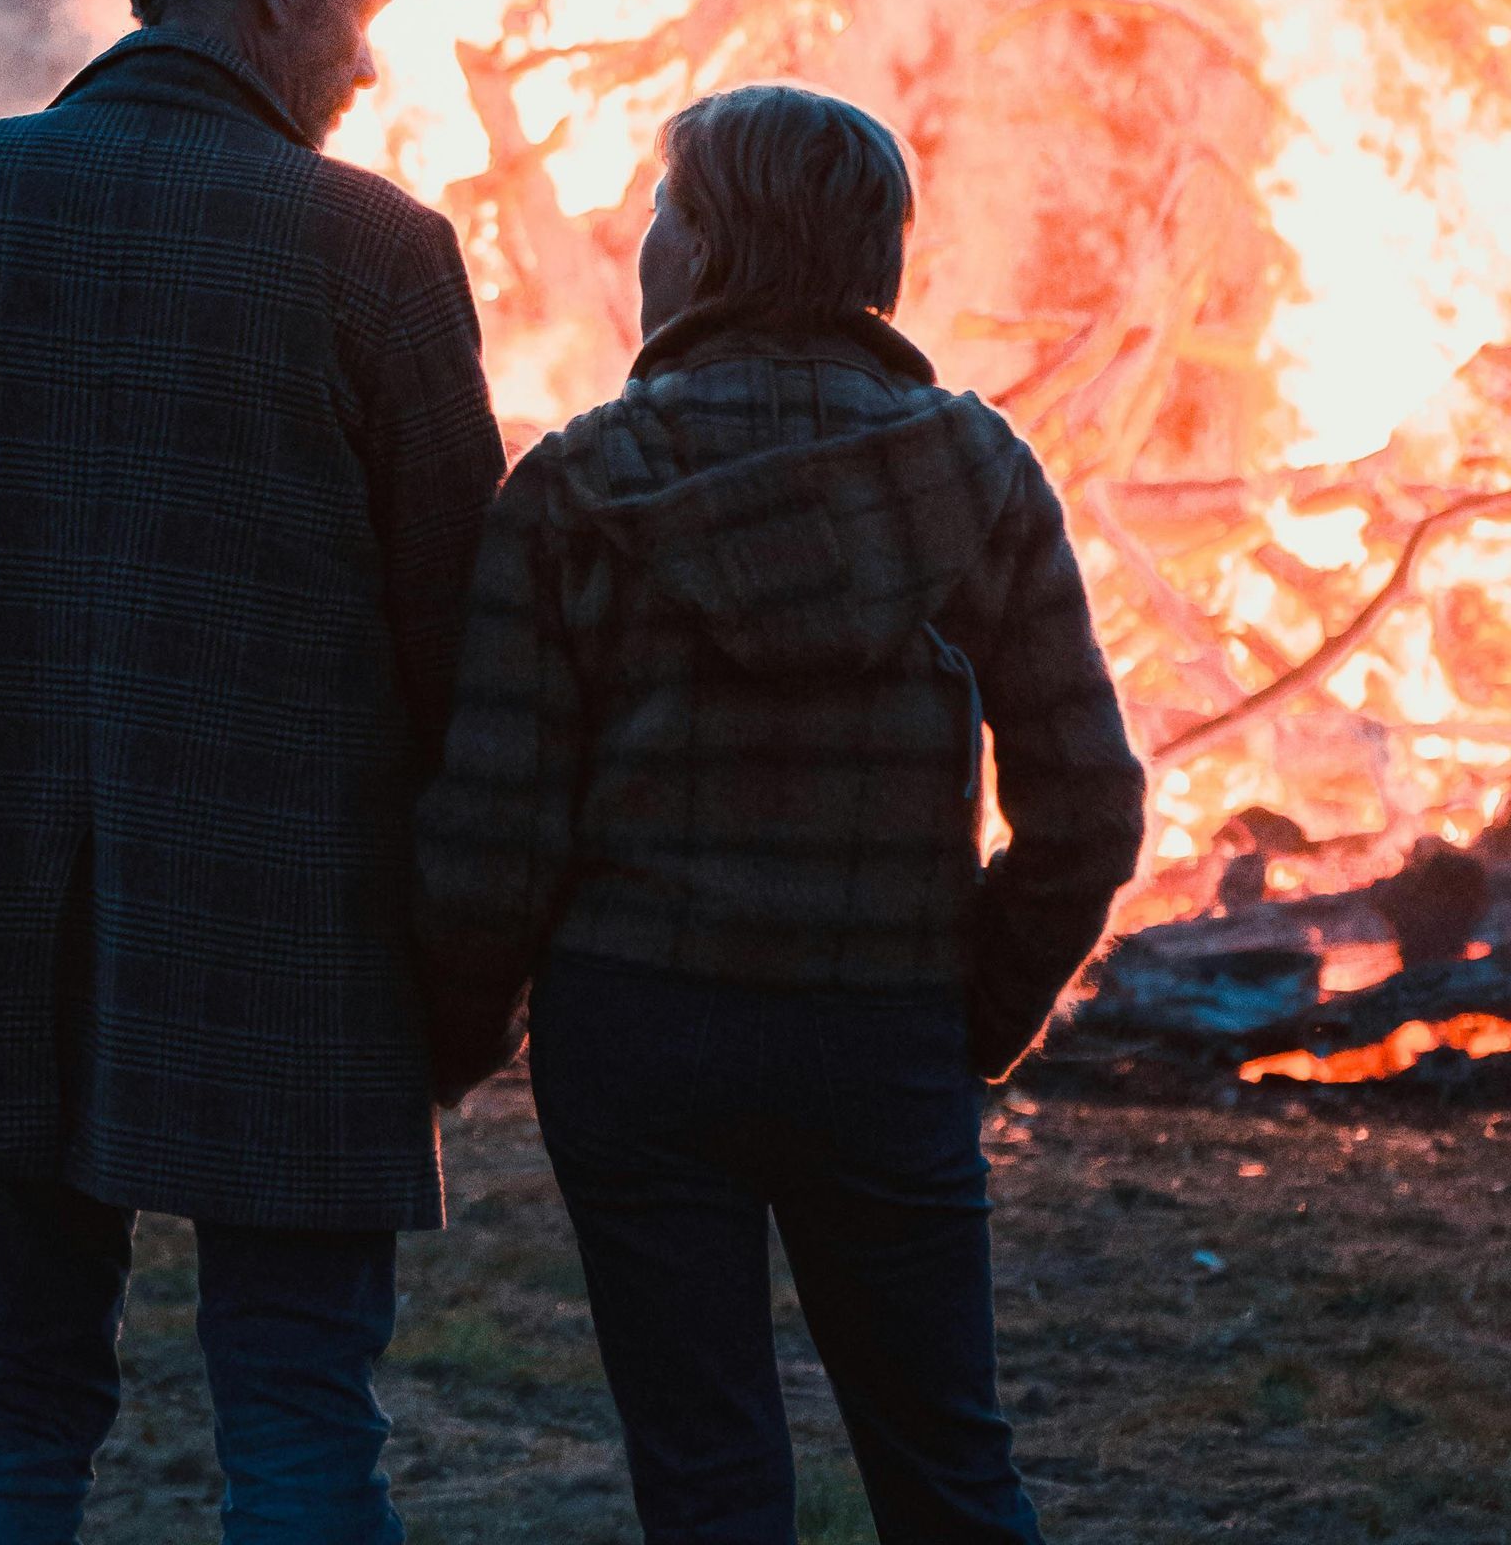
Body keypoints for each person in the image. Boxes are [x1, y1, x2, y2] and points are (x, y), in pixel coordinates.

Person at [0, 0, 506, 1545]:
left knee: (8, 1407)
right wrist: (451, 916)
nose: (372, 59)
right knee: (306, 1421)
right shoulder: (376, 253)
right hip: (294, 931)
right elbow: (456, 626)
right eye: (363, 13)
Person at [415, 83, 1146, 1545]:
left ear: (715, 252)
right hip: (878, 1034)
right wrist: (966, 1015)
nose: (648, 240)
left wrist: (457, 1032)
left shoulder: (572, 488)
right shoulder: (981, 474)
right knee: (947, 1462)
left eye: (667, 210)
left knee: (706, 1478)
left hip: (639, 1039)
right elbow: (1089, 808)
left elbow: (495, 826)